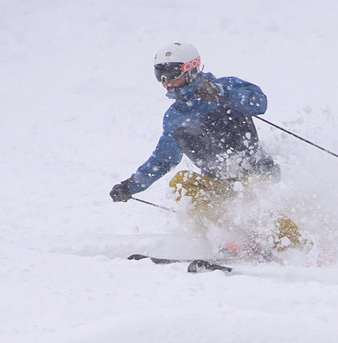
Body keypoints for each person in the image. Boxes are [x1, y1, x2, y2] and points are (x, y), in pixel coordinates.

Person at [110, 42, 302, 258]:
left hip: (256, 174)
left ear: (191, 69)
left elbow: (260, 103)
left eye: (171, 73)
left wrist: (221, 92)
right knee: (181, 182)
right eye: (160, 75)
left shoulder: (226, 87)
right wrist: (131, 186)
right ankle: (229, 240)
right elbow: (163, 160)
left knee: (251, 196)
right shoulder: (175, 117)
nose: (166, 81)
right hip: (220, 184)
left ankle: (298, 248)